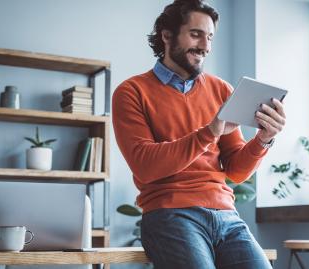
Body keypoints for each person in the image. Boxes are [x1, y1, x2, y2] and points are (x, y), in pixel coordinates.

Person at [112, 0, 286, 268]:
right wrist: (209, 132)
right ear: (167, 36)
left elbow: (236, 171)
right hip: (170, 213)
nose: (205, 46)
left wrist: (263, 140)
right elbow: (145, 165)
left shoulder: (221, 90)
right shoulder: (131, 92)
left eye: (210, 37)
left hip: (227, 215)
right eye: (195, 34)